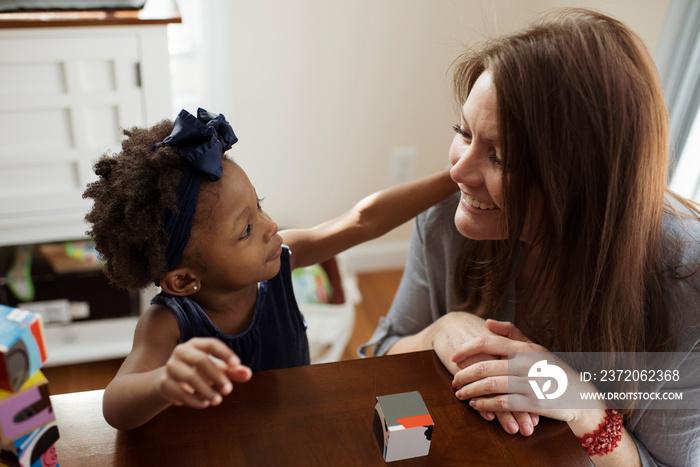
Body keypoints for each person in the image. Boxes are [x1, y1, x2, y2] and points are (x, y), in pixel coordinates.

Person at [361, 8, 700, 466]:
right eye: (464, 132)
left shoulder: (686, 291)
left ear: (583, 184)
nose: (458, 171)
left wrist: (579, 403)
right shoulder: (447, 216)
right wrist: (443, 329)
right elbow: (377, 356)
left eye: (500, 157)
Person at [83, 108, 457, 430]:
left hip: (294, 425)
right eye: (246, 229)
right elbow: (115, 405)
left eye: (259, 205)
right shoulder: (168, 322)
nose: (271, 226)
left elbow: (363, 221)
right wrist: (163, 382)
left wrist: (453, 177)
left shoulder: (279, 260)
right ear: (183, 280)